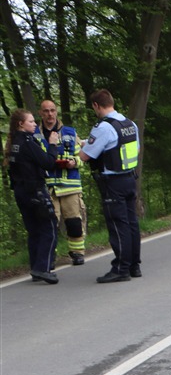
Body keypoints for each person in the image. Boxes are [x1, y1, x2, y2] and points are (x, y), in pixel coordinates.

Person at [78, 89, 142, 283]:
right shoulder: (129, 124)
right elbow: (134, 149)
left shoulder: (103, 128)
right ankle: (134, 266)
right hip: (130, 179)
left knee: (117, 225)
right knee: (132, 223)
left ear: (96, 106)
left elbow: (85, 156)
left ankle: (120, 269)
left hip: (113, 183)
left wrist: (82, 145)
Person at [4, 108, 61, 284]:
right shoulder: (27, 142)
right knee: (50, 227)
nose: (35, 124)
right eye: (31, 121)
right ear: (21, 124)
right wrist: (52, 144)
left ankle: (36, 267)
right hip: (34, 190)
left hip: (21, 192)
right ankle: (43, 268)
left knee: (34, 230)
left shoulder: (15, 143)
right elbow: (48, 163)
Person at [37, 100, 86, 265]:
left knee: (74, 222)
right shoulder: (35, 134)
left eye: (52, 110)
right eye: (46, 111)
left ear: (56, 112)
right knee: (50, 225)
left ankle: (77, 252)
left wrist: (74, 162)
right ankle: (50, 257)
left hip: (70, 186)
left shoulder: (70, 132)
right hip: (47, 188)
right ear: (40, 113)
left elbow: (82, 158)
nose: (49, 114)